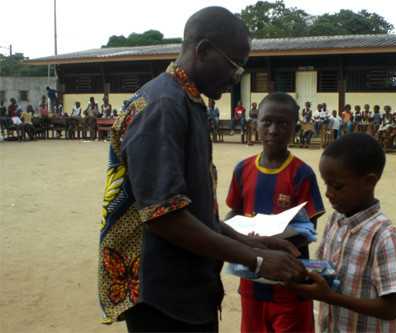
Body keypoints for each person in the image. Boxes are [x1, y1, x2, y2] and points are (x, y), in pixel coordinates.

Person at [97, 7, 306, 332]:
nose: (236, 78)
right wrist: (258, 261)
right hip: (161, 295)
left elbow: (191, 212)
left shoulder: (186, 101)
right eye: (234, 67)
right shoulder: (163, 107)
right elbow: (165, 217)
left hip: (183, 288)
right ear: (204, 50)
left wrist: (254, 243)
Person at [288, 133, 396, 332]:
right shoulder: (336, 219)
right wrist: (296, 265)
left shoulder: (384, 236)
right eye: (326, 184)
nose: (327, 193)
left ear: (369, 182)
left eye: (337, 186)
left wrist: (330, 297)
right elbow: (324, 266)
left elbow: (391, 308)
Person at [226, 92, 325, 333]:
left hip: (290, 282)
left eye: (283, 124)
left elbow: (309, 231)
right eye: (267, 121)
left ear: (295, 128)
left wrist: (273, 241)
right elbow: (233, 213)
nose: (273, 130)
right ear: (255, 123)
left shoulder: (302, 174)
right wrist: (232, 229)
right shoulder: (243, 169)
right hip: (252, 280)